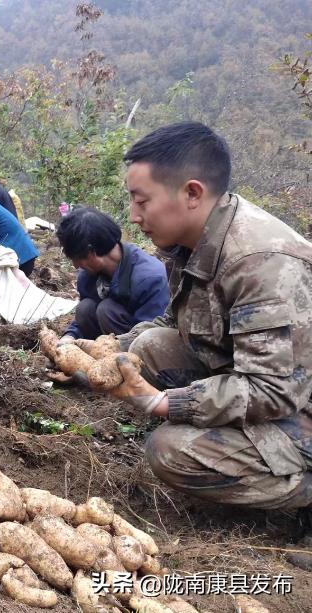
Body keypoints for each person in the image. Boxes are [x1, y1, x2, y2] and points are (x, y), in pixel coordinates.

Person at [74, 122, 312, 565]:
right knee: (145, 346)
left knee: (170, 450)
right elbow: (174, 321)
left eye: (141, 200)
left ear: (192, 193)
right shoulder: (190, 243)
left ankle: (303, 492)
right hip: (255, 380)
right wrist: (108, 348)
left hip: (298, 407)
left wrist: (163, 403)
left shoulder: (260, 263)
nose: (133, 215)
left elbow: (276, 391)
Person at [56, 207, 169, 342]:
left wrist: (113, 347)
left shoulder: (149, 277)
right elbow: (82, 320)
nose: (75, 266)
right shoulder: (87, 277)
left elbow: (152, 334)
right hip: (107, 340)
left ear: (91, 253)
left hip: (142, 342)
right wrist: (71, 335)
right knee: (85, 308)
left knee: (106, 310)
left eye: (76, 259)